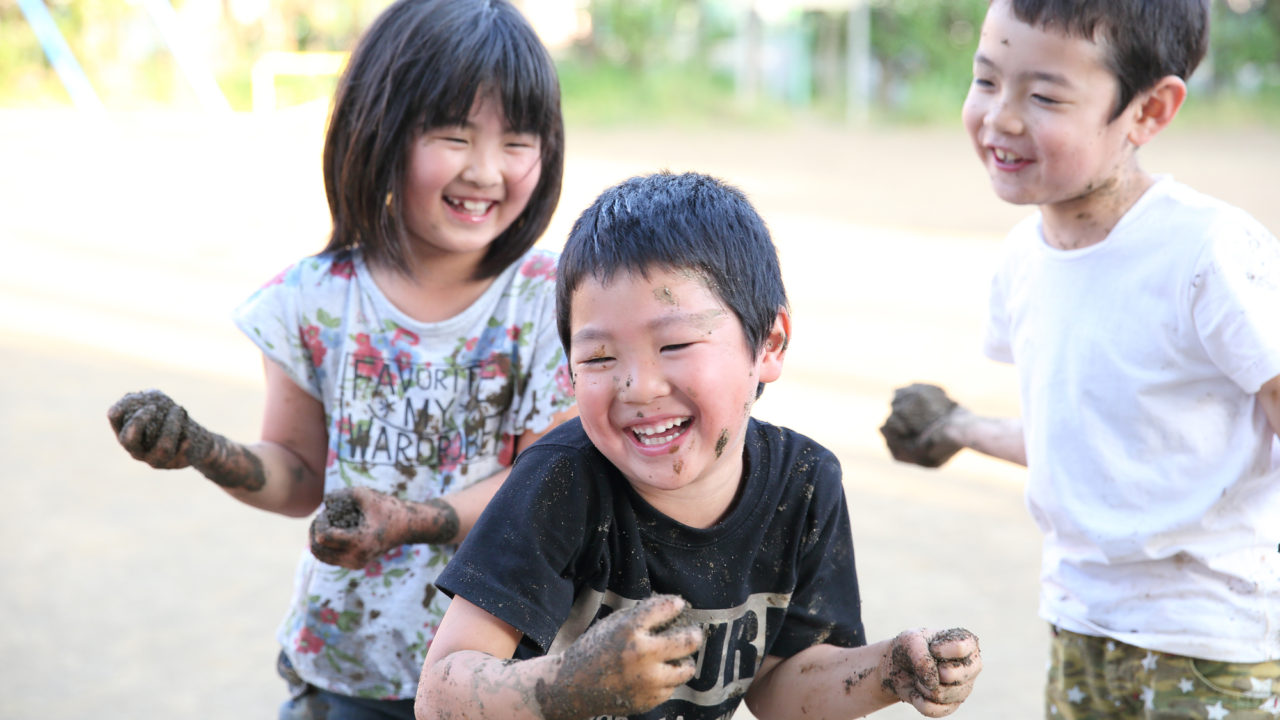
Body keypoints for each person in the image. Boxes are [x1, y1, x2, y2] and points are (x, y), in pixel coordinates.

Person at [105, 1, 577, 717]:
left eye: (518, 142)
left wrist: (414, 518)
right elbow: (297, 475)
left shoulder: (553, 299)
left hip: (499, 668)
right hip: (346, 669)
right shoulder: (314, 300)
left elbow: (546, 486)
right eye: (453, 135)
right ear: (379, 131)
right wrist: (203, 449)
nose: (486, 170)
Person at [414, 171, 983, 720]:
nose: (638, 386)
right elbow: (441, 693)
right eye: (599, 357)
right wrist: (570, 686)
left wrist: (887, 672)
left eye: (676, 343)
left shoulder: (803, 483)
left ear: (770, 344)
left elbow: (781, 690)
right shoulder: (561, 479)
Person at [879, 1, 1280, 718]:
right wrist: (960, 428)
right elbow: (1087, 442)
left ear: (1148, 111)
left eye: (1044, 96)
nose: (1000, 118)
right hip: (1080, 624)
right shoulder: (1024, 262)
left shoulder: (1206, 252)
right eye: (986, 80)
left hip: (1210, 642)